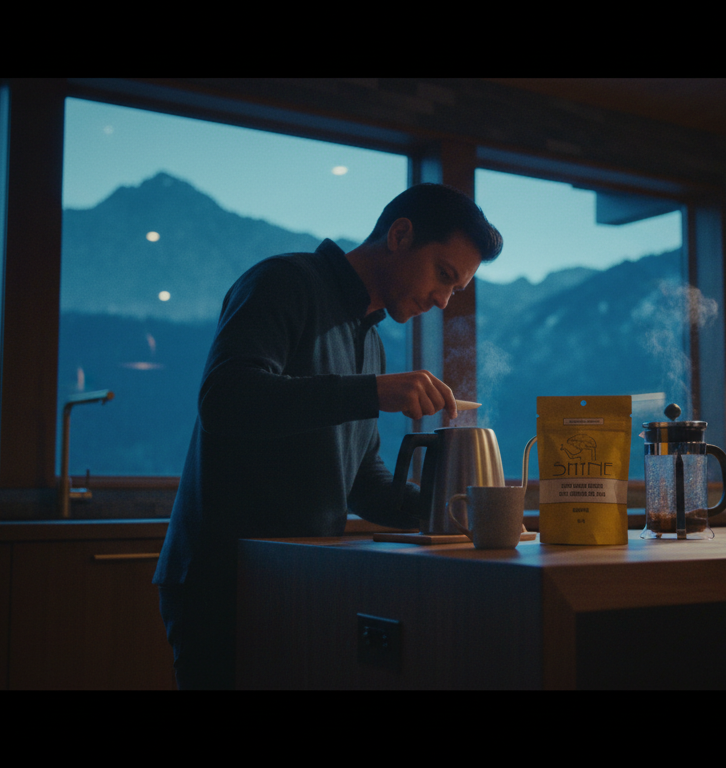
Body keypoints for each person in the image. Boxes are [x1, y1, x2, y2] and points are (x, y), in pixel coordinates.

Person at [153, 183, 503, 689]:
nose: (443, 300)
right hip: (227, 581)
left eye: (456, 290)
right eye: (443, 276)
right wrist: (371, 392)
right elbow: (225, 400)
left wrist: (456, 513)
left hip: (303, 579)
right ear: (400, 235)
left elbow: (363, 482)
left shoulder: (370, 343)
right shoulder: (284, 282)